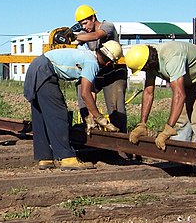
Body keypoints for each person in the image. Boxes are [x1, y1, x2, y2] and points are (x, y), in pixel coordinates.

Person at [125, 41, 196, 173]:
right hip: (191, 80)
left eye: (143, 69)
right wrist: (142, 124)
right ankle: (179, 160)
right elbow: (149, 92)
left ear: (147, 63)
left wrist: (168, 128)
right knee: (182, 119)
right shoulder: (149, 59)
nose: (144, 72)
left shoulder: (171, 57)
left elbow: (179, 95)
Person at [23, 41, 123, 170]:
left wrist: (91, 116)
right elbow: (85, 93)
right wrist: (100, 118)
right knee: (58, 114)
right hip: (45, 71)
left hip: (35, 67)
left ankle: (45, 157)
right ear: (109, 63)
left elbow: (90, 90)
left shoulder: (87, 55)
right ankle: (67, 158)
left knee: (41, 115)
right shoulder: (92, 63)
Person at [73, 4, 128, 134]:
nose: (84, 27)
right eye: (81, 24)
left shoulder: (107, 26)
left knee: (115, 108)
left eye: (85, 23)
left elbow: (97, 35)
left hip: (114, 71)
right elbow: (75, 41)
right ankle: (90, 124)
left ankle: (121, 142)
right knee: (82, 88)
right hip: (98, 70)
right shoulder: (84, 33)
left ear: (93, 18)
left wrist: (74, 36)